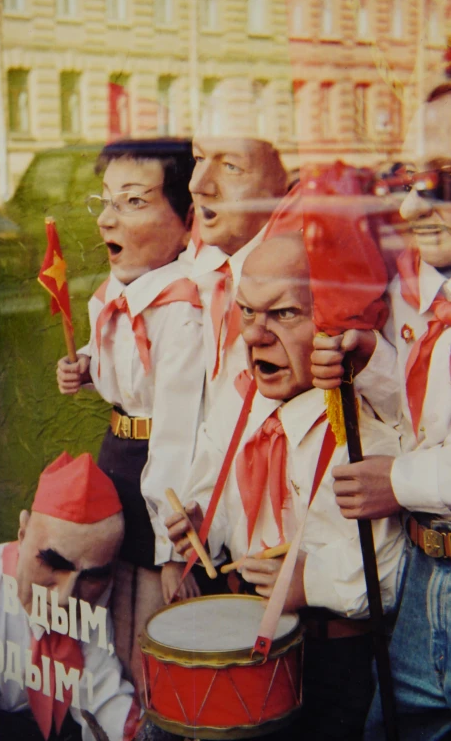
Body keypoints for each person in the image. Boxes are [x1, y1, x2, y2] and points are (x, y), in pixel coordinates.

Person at [166, 236, 406, 741]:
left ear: (333, 327)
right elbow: (220, 509)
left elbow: (391, 576)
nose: (255, 335)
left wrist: (307, 585)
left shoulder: (362, 431)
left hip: (332, 661)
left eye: (285, 314)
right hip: (243, 638)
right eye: (248, 311)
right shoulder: (235, 406)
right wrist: (197, 526)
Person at [311, 81, 451, 740]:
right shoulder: (425, 294)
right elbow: (426, 416)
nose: (408, 203)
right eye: (408, 178)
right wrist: (368, 364)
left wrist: (396, 482)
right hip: (429, 574)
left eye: (439, 180)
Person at [56, 139, 207, 694]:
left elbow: (175, 430)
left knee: (153, 627)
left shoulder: (182, 309)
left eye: (134, 202)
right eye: (105, 202)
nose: (107, 219)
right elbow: (123, 368)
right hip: (117, 458)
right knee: (113, 610)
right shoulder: (117, 291)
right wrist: (88, 368)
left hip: (158, 474)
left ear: (186, 220)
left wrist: (173, 552)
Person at [0, 451, 138, 741]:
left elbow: (101, 695)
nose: (64, 598)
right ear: (22, 533)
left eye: (91, 576)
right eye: (53, 563)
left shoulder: (95, 594)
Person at [184, 131, 288, 406]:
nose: (197, 184)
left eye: (231, 166)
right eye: (199, 158)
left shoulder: (304, 285)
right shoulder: (194, 262)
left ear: (283, 182)